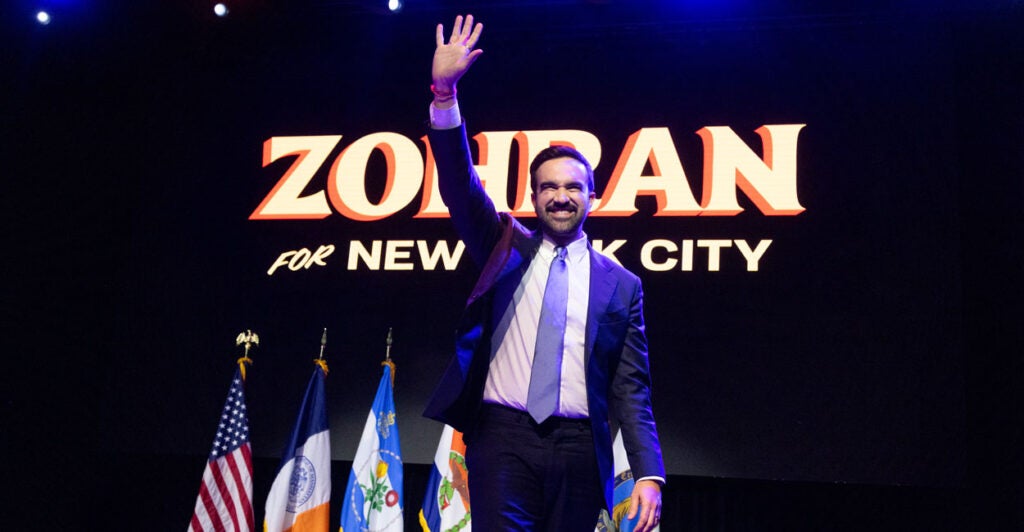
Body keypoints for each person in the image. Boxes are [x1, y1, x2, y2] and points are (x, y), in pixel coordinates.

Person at [422, 15, 665, 532]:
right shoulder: (503, 245)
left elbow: (631, 389)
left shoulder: (621, 285)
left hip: (581, 448)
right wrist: (445, 96)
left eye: (573, 187)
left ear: (592, 196)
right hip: (503, 438)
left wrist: (649, 474)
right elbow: (458, 184)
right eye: (549, 187)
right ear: (533, 197)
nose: (560, 196)